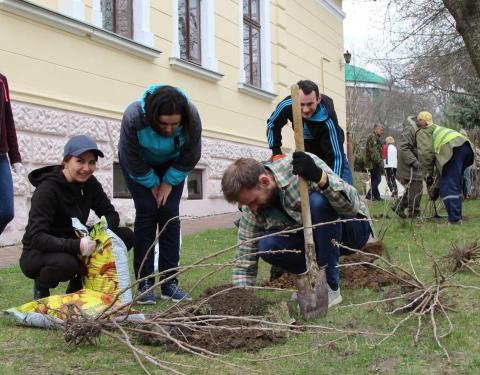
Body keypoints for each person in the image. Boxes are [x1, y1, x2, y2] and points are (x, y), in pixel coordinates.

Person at [221, 153, 372, 307]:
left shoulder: (299, 167)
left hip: (352, 229)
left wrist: (321, 179)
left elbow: (351, 206)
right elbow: (245, 256)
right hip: (315, 242)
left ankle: (329, 286)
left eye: (253, 201)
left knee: (317, 203)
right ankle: (311, 282)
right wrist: (241, 298)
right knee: (266, 246)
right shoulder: (252, 209)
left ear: (265, 181)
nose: (252, 208)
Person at [20, 135, 134, 300]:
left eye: (92, 162)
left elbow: (111, 214)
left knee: (124, 236)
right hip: (39, 251)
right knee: (66, 264)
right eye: (80, 161)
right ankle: (41, 287)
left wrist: (98, 233)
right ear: (66, 161)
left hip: (76, 240)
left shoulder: (90, 183)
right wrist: (77, 245)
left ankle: (78, 287)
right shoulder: (47, 189)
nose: (86, 168)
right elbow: (37, 236)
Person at [118, 85, 201, 304]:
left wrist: (168, 181)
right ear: (153, 116)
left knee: (169, 214)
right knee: (146, 212)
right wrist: (153, 182)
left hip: (172, 166)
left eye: (175, 124)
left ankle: (169, 282)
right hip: (139, 167)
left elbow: (191, 155)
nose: (168, 129)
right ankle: (144, 283)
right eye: (163, 123)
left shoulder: (191, 116)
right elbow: (130, 158)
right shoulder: (134, 117)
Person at [266, 80, 353, 184]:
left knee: (343, 195)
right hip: (307, 158)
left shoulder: (327, 118)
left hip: (330, 158)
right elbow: (272, 124)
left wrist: (333, 185)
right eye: (301, 104)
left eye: (310, 104)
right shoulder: (288, 105)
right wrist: (276, 153)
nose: (306, 109)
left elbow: (336, 157)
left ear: (318, 99)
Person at [416, 111, 474, 224]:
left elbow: (425, 155)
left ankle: (454, 220)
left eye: (419, 120)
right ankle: (457, 216)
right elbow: (440, 166)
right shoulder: (437, 128)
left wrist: (428, 175)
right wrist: (435, 182)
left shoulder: (423, 132)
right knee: (453, 184)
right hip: (465, 148)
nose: (418, 123)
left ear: (423, 122)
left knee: (448, 185)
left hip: (453, 149)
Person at [0, 73, 23, 236]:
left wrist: (15, 157)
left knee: (7, 211)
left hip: (1, 155)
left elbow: (8, 119)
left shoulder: (2, 80)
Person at [392, 116, 423, 219]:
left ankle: (399, 206)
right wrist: (415, 162)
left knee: (412, 188)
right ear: (420, 121)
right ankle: (414, 213)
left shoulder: (416, 129)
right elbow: (404, 148)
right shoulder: (410, 129)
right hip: (408, 165)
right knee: (417, 187)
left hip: (409, 163)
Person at [365, 123, 385, 201]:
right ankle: (370, 194)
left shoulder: (375, 137)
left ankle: (377, 196)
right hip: (373, 163)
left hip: (374, 162)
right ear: (375, 129)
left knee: (374, 179)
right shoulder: (372, 137)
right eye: (380, 130)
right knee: (378, 179)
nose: (382, 131)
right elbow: (374, 151)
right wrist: (380, 162)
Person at [459, 129, 473, 198]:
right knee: (461, 179)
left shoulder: (468, 142)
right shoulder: (459, 142)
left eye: (462, 134)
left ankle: (469, 194)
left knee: (467, 178)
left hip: (467, 163)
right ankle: (462, 194)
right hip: (461, 163)